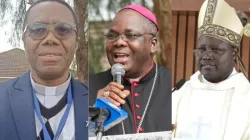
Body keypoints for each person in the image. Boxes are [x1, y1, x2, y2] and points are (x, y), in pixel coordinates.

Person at [0, 0, 88, 140]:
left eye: (63, 30)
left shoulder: (98, 102)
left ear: (77, 43)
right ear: (24, 40)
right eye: (38, 29)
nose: (50, 39)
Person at [89, 4, 172, 136]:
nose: (119, 42)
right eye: (112, 36)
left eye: (131, 35)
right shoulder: (87, 87)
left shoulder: (172, 85)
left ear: (153, 44)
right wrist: (93, 115)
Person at [172, 0, 250, 139]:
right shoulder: (179, 95)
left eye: (216, 50)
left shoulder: (246, 98)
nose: (206, 56)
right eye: (202, 49)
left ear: (233, 53)